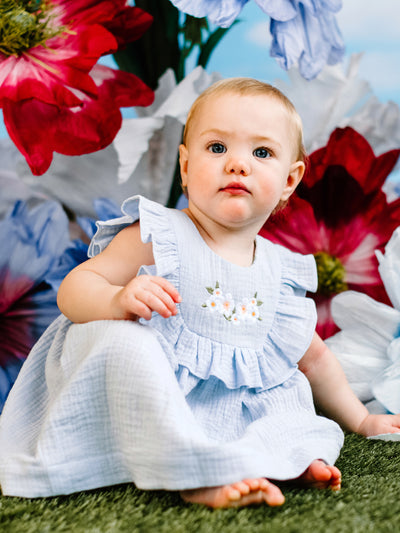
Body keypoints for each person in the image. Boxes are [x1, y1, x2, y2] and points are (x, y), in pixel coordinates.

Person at [1, 78, 400, 508]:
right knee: (127, 343)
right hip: (143, 398)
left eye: (261, 153)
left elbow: (315, 359)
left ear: (289, 180)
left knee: (282, 394)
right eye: (217, 148)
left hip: (217, 407)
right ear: (186, 167)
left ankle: (282, 457)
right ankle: (193, 473)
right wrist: (116, 300)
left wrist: (361, 419)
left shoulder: (277, 270)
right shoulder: (159, 235)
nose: (238, 165)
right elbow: (74, 289)